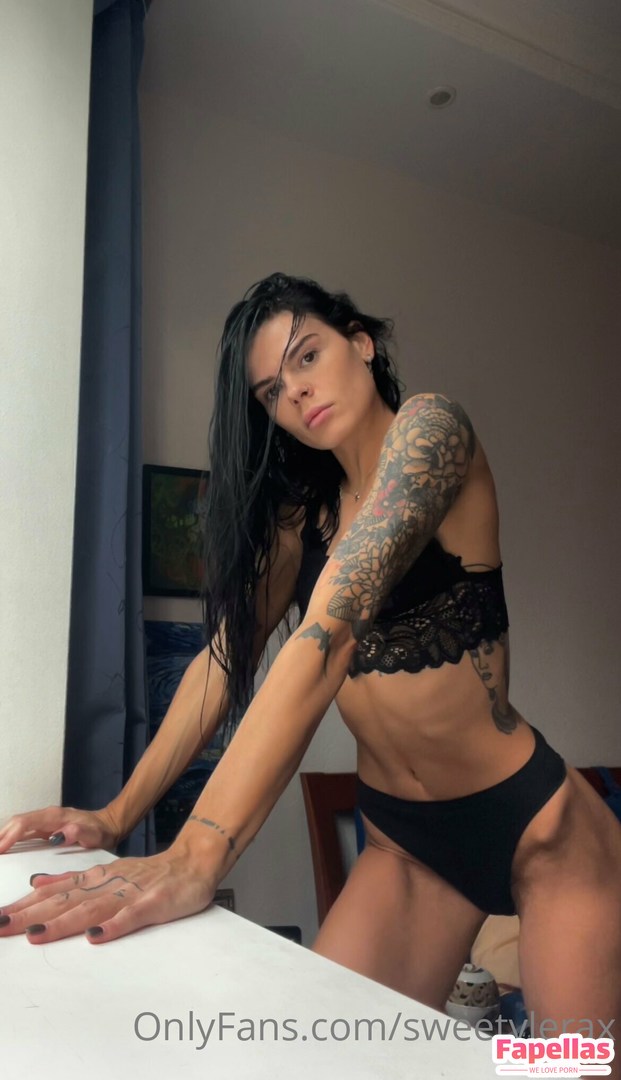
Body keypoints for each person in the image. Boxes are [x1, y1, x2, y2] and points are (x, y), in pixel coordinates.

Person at [1, 273, 619, 1047]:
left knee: (566, 1070)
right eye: (270, 391)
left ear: (360, 344)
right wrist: (116, 815)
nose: (294, 392)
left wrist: (198, 854)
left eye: (306, 356)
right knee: (329, 1059)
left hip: (537, 827)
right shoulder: (305, 514)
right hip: (405, 843)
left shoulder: (432, 431)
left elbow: (325, 640)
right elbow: (225, 658)